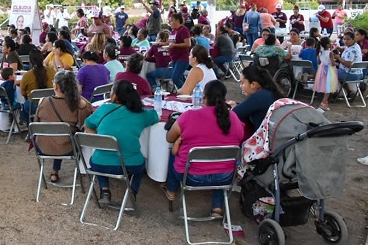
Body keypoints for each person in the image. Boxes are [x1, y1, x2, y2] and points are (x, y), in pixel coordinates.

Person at [164, 80, 244, 216]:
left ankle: (171, 190)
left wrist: (179, 141)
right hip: (225, 176)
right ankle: (217, 207)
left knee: (174, 151)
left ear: (204, 96)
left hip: (191, 177)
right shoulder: (233, 117)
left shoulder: (189, 116)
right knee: (220, 160)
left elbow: (169, 138)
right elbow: (240, 138)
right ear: (224, 98)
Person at [85, 80, 158, 205]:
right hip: (131, 165)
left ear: (114, 96)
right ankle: (132, 192)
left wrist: (99, 138)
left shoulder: (104, 109)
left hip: (100, 164)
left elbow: (87, 125)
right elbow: (155, 116)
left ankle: (105, 190)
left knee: (97, 159)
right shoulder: (140, 113)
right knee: (141, 166)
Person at [34, 71, 92, 183]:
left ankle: (54, 171)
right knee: (70, 137)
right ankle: (81, 169)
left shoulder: (43, 101)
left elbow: (36, 123)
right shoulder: (79, 103)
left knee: (58, 135)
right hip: (68, 148)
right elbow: (85, 123)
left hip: (43, 147)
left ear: (55, 85)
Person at [230, 66, 283, 134]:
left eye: (242, 83)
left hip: (265, 141)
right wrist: (237, 104)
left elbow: (234, 114)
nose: (241, 86)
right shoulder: (270, 92)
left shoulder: (259, 96)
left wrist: (233, 107)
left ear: (253, 84)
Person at [20, 49, 56, 123]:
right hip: (51, 103)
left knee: (25, 104)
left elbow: (23, 93)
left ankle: (30, 128)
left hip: (34, 105)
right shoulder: (51, 71)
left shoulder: (27, 75)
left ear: (30, 61)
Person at [312, 36, 340, 111]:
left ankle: (325, 102)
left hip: (322, 70)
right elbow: (333, 63)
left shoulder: (320, 52)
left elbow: (319, 62)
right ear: (327, 45)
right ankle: (323, 103)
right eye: (330, 42)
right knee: (329, 87)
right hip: (329, 70)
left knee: (325, 86)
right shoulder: (330, 53)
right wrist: (337, 63)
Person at [168, 13, 191, 89]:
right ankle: (183, 93)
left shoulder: (183, 30)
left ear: (177, 21)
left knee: (175, 78)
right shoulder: (173, 31)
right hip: (174, 57)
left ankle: (186, 91)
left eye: (172, 21)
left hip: (182, 58)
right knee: (179, 77)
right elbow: (171, 42)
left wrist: (175, 45)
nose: (170, 23)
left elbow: (188, 44)